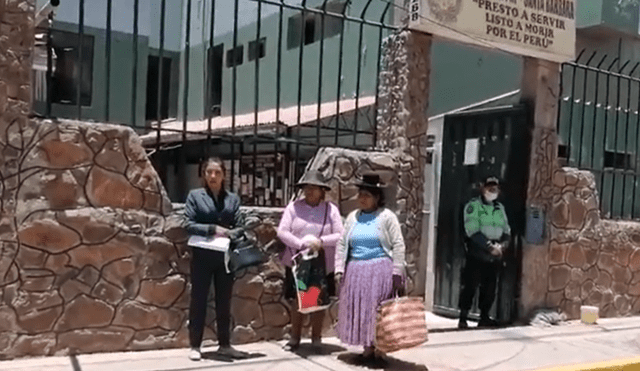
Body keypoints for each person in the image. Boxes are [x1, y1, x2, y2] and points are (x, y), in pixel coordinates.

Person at [335, 173, 406, 362]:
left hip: (380, 270)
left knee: (379, 312)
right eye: (360, 195)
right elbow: (343, 244)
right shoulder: (352, 217)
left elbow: (398, 244)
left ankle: (380, 350)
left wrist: (397, 271)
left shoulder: (386, 217)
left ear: (377, 197)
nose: (362, 199)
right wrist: (339, 269)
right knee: (361, 310)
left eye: (367, 195)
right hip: (356, 271)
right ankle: (366, 349)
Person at [183, 157, 247, 361]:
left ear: (224, 175)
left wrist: (231, 234)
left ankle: (224, 344)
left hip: (225, 258)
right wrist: (212, 229)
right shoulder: (195, 196)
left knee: (224, 302)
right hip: (202, 257)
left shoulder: (232, 199)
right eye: (209, 172)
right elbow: (188, 224)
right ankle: (195, 345)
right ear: (204, 174)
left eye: (217, 173)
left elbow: (240, 226)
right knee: (198, 301)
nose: (213, 176)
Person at [277, 170, 344, 351]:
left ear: (322, 190)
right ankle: (295, 337)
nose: (310, 191)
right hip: (298, 262)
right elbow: (282, 231)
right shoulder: (293, 208)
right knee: (297, 300)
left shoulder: (331, 210)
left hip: (322, 263)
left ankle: (316, 338)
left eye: (314, 188)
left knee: (318, 300)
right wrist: (300, 244)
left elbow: (340, 234)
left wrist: (321, 242)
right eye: (307, 187)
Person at [458, 176, 511, 329]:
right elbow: (472, 230)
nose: (492, 191)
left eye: (495, 188)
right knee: (470, 286)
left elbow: (506, 230)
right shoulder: (473, 206)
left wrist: (502, 246)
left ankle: (484, 317)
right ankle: (463, 317)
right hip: (477, 252)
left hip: (495, 253)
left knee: (489, 288)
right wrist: (489, 247)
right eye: (489, 187)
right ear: (482, 188)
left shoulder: (499, 208)